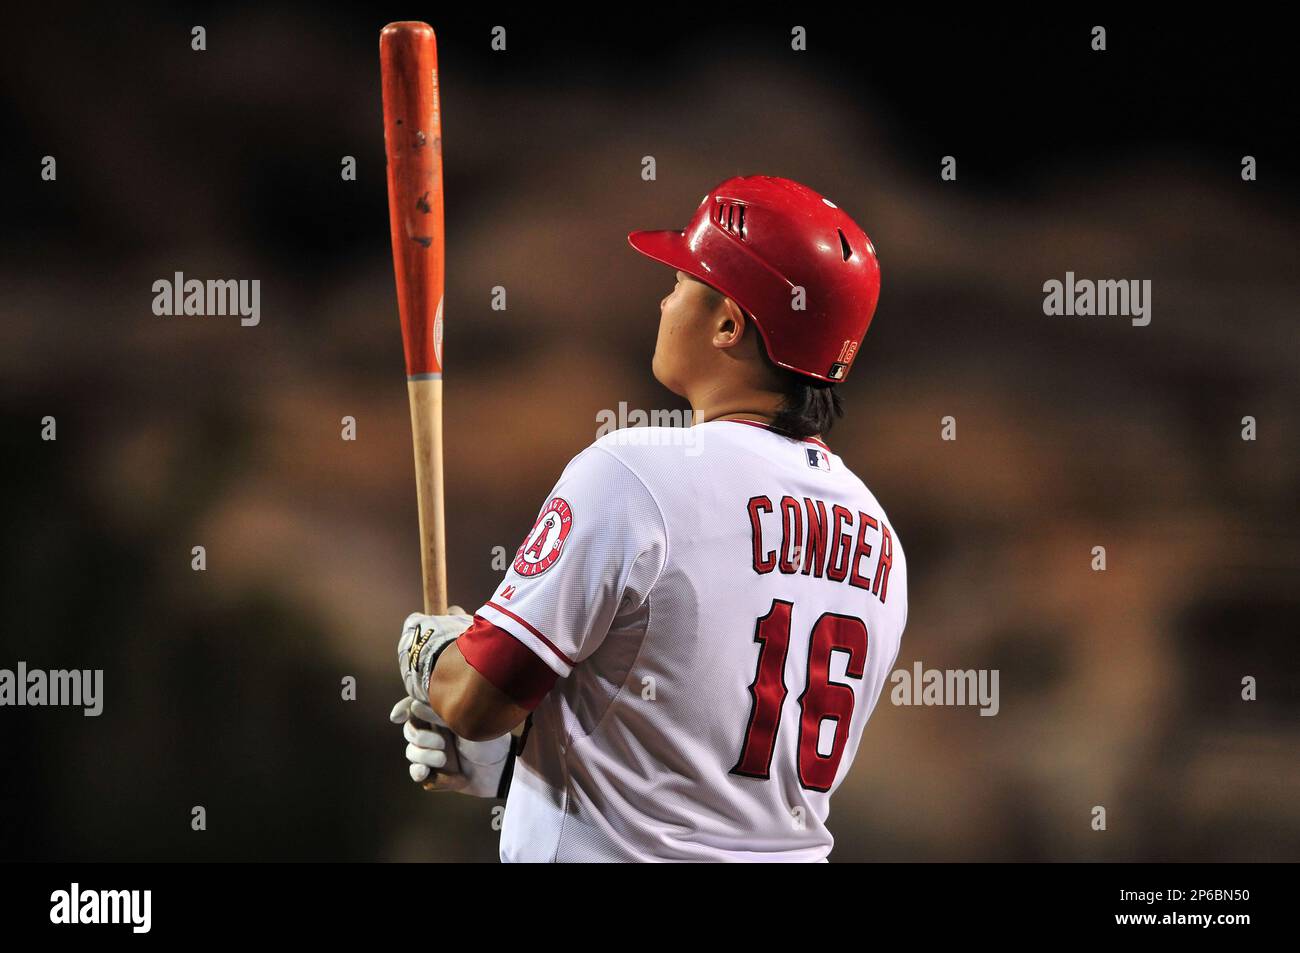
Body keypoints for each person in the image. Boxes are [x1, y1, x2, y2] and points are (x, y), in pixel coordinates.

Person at [390, 175, 908, 861]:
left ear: (728, 324)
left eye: (686, 279)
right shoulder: (882, 544)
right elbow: (706, 768)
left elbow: (478, 699)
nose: (666, 298)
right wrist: (513, 763)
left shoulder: (636, 472)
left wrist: (435, 659)